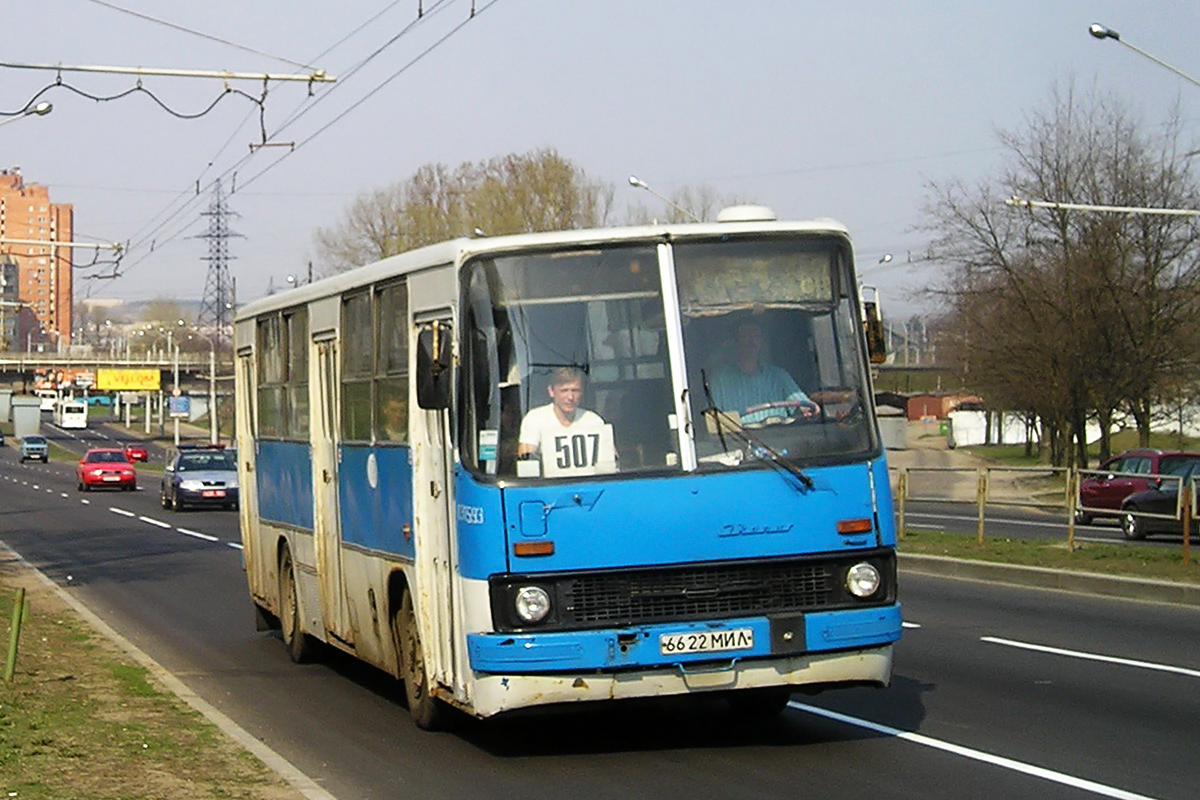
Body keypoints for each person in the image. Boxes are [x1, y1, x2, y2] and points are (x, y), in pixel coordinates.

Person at [709, 320, 820, 426]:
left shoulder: (779, 376)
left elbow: (803, 404)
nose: (752, 342)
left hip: (782, 439)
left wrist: (809, 409)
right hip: (739, 443)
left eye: (756, 336)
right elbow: (713, 421)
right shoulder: (720, 381)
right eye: (745, 336)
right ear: (735, 341)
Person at [517, 367, 607, 459]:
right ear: (551, 391)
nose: (570, 397)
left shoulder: (594, 421)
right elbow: (526, 459)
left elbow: (611, 459)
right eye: (564, 390)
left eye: (575, 390)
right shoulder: (535, 419)